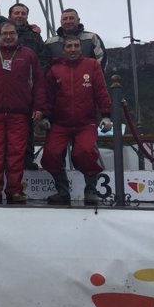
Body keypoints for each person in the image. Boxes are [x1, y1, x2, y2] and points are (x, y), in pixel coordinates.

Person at [0, 22, 45, 205]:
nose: (8, 37)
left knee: (16, 154)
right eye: (5, 34)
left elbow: (39, 84)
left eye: (12, 33)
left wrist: (39, 107)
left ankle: (14, 191)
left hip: (20, 114)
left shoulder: (28, 55)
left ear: (17, 35)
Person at [40, 35, 112, 206]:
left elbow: (101, 91)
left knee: (84, 152)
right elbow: (48, 97)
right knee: (50, 154)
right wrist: (44, 116)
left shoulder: (92, 65)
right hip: (60, 122)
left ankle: (91, 190)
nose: (73, 49)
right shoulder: (54, 69)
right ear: (63, 50)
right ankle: (63, 191)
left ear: (80, 48)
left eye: (76, 46)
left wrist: (107, 115)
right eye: (69, 46)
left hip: (86, 122)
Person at [6, 2, 47, 170]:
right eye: (17, 13)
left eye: (23, 13)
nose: (20, 15)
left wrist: (34, 75)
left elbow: (44, 59)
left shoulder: (34, 36)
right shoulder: (2, 33)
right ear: (10, 15)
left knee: (27, 128)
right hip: (5, 87)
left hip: (27, 89)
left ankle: (27, 160)